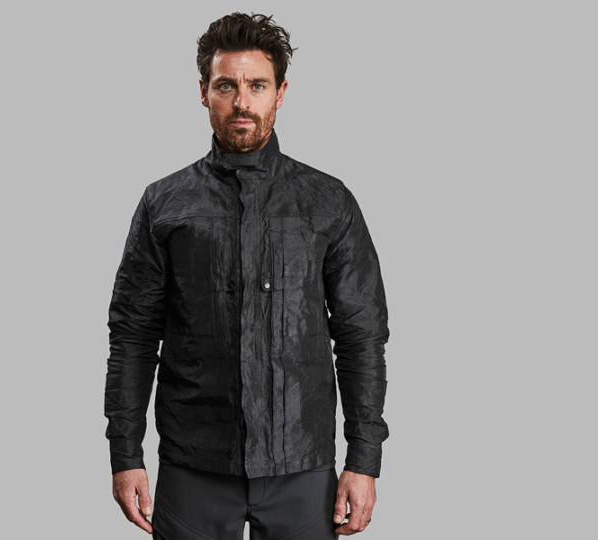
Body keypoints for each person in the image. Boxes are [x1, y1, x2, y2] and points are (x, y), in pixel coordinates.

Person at [104, 12, 389, 539]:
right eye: (226, 86)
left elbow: (361, 337)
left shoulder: (328, 202)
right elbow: (133, 337)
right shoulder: (165, 203)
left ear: (281, 93)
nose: (242, 102)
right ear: (203, 92)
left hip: (303, 466)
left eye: (257, 85)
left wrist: (363, 460)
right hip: (193, 463)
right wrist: (126, 455)